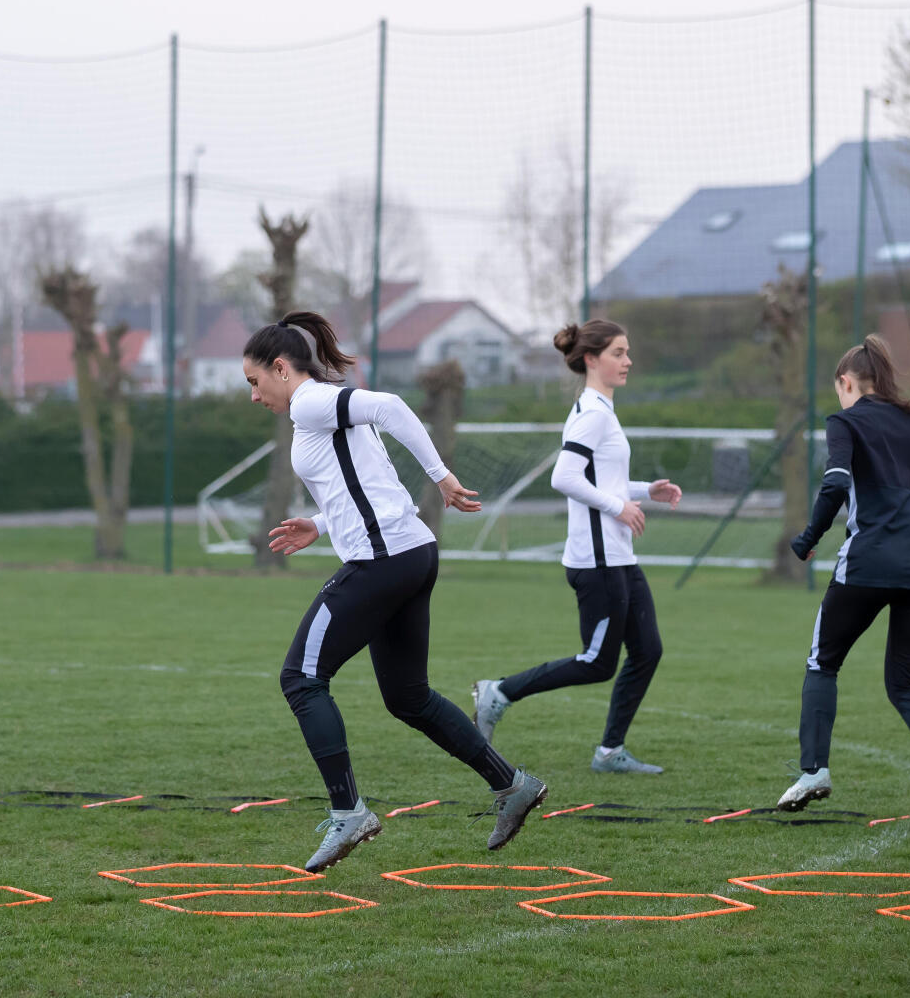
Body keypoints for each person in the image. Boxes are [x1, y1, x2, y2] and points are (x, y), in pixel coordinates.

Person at [248, 311, 547, 872]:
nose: (254, 393)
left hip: (384, 559)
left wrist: (442, 476)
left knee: (301, 679)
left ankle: (348, 813)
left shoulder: (311, 402)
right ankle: (513, 786)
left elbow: (389, 407)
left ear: (282, 369)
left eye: (254, 381)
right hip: (411, 552)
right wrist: (320, 523)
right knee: (408, 697)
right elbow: (362, 485)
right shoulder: (320, 407)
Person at [779, 334, 910, 827]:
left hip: (868, 563)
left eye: (838, 389)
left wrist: (807, 538)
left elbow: (836, 482)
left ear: (847, 383)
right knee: (907, 684)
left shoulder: (845, 422)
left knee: (822, 662)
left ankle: (814, 770)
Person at [471, 319, 682, 774]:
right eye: (619, 353)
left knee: (647, 650)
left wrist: (646, 491)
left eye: (627, 353)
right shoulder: (591, 414)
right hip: (598, 560)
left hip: (619, 555)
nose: (628, 361)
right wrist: (618, 507)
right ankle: (500, 691)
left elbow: (603, 479)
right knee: (596, 662)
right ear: (591, 359)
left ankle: (609, 753)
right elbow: (563, 477)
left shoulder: (600, 410)